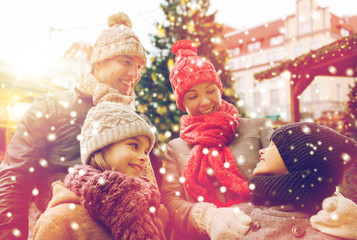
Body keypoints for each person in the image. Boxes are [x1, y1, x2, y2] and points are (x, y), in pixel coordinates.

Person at [0, 12, 162, 240]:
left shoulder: (137, 121)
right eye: (126, 62)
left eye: (139, 66)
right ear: (99, 61)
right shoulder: (52, 107)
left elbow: (156, 191)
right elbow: (14, 177)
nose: (134, 74)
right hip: (65, 231)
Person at [160, 39, 273, 240]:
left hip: (261, 233)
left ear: (219, 89)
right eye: (193, 96)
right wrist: (209, 219)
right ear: (182, 103)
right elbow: (170, 202)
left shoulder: (257, 128)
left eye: (210, 91)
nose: (204, 102)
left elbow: (288, 174)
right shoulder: (175, 148)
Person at [33, 100, 166, 240]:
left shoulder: (148, 210)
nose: (144, 157)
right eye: (134, 145)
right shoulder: (60, 220)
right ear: (101, 147)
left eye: (146, 151)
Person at [244, 122, 357, 239]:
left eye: (273, 146)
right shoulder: (242, 212)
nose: (261, 150)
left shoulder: (335, 218)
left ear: (301, 159)